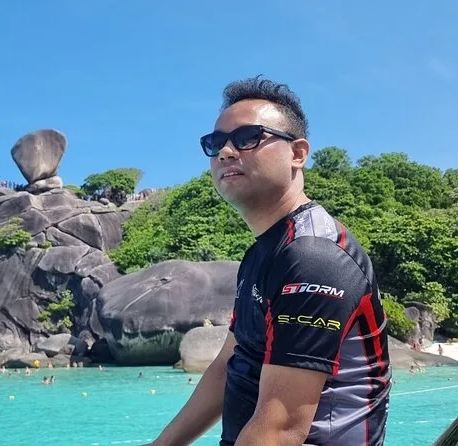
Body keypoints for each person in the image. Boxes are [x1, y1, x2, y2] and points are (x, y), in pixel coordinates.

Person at [144, 76, 391, 446]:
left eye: (248, 137)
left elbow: (281, 429)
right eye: (215, 143)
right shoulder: (264, 252)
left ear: (297, 153)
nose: (226, 152)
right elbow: (228, 365)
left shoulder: (314, 256)